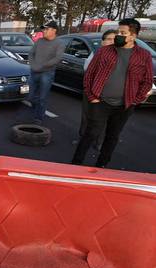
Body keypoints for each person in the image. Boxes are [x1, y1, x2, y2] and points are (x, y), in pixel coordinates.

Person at [72, 18, 153, 168]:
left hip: (125, 105)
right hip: (100, 101)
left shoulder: (144, 55)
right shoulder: (104, 51)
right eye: (118, 32)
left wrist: (136, 100)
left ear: (133, 36)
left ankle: (101, 165)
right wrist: (91, 96)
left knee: (112, 136)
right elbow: (90, 74)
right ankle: (76, 164)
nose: (118, 35)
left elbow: (147, 81)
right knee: (91, 133)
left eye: (123, 33)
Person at [74, 29, 117, 150]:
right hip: (91, 91)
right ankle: (82, 139)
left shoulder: (119, 55)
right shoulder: (96, 53)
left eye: (114, 39)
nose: (112, 42)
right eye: (109, 39)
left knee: (103, 120)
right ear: (102, 42)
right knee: (87, 117)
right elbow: (87, 69)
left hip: (107, 95)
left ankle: (99, 142)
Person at [27, 21, 65, 124]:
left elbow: (57, 58)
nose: (44, 31)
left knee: (42, 97)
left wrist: (43, 66)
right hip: (34, 72)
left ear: (54, 30)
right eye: (43, 29)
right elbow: (31, 53)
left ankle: (38, 118)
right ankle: (35, 109)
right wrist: (33, 65)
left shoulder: (59, 43)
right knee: (30, 96)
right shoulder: (39, 41)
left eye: (46, 29)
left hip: (47, 73)